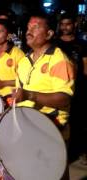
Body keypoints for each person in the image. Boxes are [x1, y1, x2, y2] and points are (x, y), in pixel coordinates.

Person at [13, 13, 75, 180]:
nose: (28, 31)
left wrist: (29, 95)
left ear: (49, 34)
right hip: (29, 128)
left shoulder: (59, 60)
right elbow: (19, 96)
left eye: (35, 27)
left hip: (53, 129)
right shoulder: (24, 61)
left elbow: (64, 98)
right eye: (28, 28)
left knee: (54, 175)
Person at [56, 13, 87, 164]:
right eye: (62, 24)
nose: (65, 27)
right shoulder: (55, 44)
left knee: (78, 120)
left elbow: (85, 67)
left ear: (74, 24)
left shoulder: (82, 44)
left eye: (68, 24)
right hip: (59, 88)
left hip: (78, 88)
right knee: (62, 121)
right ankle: (62, 153)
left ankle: (78, 151)